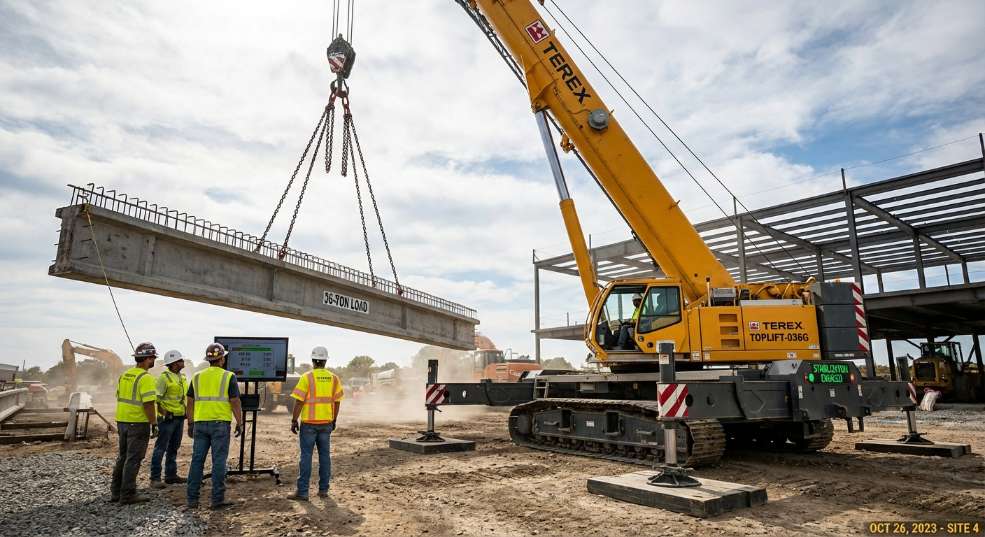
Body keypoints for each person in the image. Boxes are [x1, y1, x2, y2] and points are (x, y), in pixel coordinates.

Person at [185, 343, 244, 510]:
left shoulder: (197, 377)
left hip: (200, 423)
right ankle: (217, 500)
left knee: (197, 461)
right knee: (218, 461)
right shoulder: (228, 376)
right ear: (222, 359)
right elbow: (235, 401)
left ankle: (192, 500)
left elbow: (190, 401)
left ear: (208, 359)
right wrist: (239, 422)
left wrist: (190, 423)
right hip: (220, 424)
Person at [287, 346, 343, 501]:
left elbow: (299, 401)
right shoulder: (334, 378)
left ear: (313, 360)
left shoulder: (306, 377)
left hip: (309, 424)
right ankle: (323, 490)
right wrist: (334, 419)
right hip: (326, 423)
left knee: (306, 456)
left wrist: (294, 420)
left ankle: (303, 492)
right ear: (325, 361)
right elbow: (337, 401)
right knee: (325, 456)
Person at [111, 342, 159, 505]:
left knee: (123, 457)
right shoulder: (146, 378)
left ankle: (116, 492)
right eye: (153, 357)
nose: (154, 360)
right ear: (148, 358)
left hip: (122, 421)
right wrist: (154, 423)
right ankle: (128, 494)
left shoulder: (125, 375)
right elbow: (148, 404)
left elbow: (119, 396)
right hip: (137, 422)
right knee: (133, 458)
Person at [150, 349, 188, 488]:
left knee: (173, 448)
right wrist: (165, 414)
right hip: (167, 420)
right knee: (161, 448)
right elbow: (157, 400)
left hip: (179, 418)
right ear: (174, 363)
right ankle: (155, 478)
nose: (183, 362)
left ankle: (171, 476)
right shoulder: (164, 378)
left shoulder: (182, 377)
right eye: (180, 360)